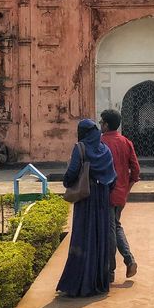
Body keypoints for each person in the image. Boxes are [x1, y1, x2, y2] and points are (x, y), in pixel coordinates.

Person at [56, 118, 117, 298]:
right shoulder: (105, 149)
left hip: (86, 198)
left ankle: (80, 282)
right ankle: (98, 281)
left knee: (83, 236)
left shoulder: (80, 148)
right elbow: (113, 176)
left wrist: (67, 182)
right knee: (99, 237)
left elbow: (73, 171)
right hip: (102, 197)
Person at [100, 109, 140, 283]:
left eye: (101, 122)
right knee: (115, 226)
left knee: (110, 230)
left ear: (107, 124)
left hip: (105, 193)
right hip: (121, 192)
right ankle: (127, 261)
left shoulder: (100, 143)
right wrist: (127, 187)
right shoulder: (126, 142)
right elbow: (136, 170)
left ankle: (112, 270)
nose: (100, 125)